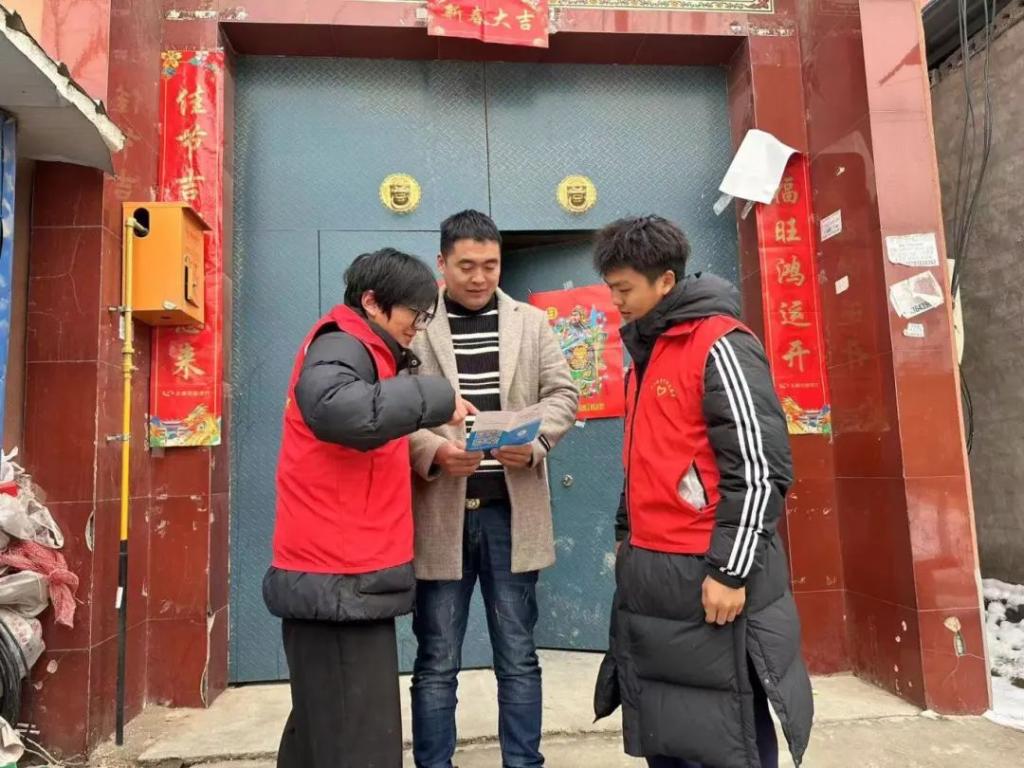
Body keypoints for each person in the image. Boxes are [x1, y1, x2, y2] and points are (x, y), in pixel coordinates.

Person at [591, 217, 813, 768]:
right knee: (668, 728)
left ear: (665, 281)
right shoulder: (645, 355)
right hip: (654, 574)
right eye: (611, 289)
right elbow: (643, 460)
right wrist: (626, 535)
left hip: (709, 572)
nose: (616, 302)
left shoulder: (720, 344)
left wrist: (730, 571)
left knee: (728, 731)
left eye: (624, 289)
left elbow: (760, 468)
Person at [263, 247, 473, 768]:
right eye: (414, 315)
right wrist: (436, 396)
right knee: (356, 741)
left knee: (324, 731)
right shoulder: (341, 343)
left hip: (344, 576)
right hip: (337, 576)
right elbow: (337, 409)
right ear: (374, 302)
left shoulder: (368, 352)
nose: (417, 329)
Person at [408, 210, 579, 768]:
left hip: (510, 511)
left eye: (490, 265)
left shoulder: (531, 322)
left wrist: (536, 444)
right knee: (437, 660)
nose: (480, 277)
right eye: (466, 266)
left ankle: (523, 763)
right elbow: (395, 410)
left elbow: (563, 394)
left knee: (518, 655)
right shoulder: (416, 325)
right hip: (442, 515)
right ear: (442, 263)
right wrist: (434, 452)